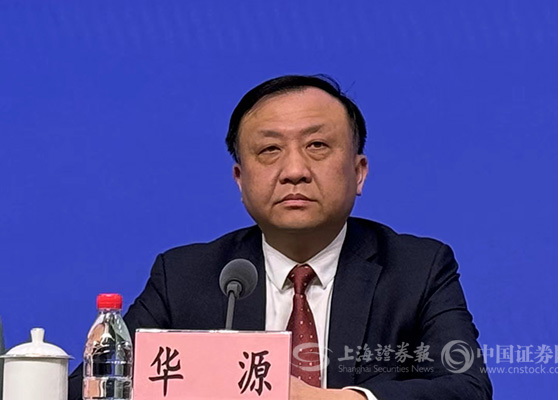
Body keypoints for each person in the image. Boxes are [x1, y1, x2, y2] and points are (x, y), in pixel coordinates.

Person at [68, 75, 492, 399]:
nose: (294, 171)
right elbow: (89, 388)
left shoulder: (416, 268)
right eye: (270, 150)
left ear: (359, 172)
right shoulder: (184, 276)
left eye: (317, 145)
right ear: (240, 179)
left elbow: (467, 387)